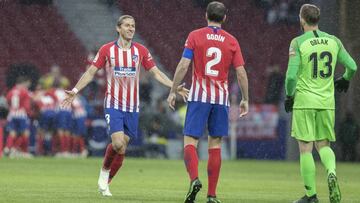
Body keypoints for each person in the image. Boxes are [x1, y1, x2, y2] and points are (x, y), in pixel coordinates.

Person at [62, 15, 188, 197]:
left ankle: (106, 181)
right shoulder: (107, 50)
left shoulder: (141, 51)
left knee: (122, 148)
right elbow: (90, 72)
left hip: (133, 107)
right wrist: (75, 90)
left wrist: (174, 87)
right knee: (118, 142)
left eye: (133, 26)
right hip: (113, 103)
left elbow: (156, 73)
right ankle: (104, 173)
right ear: (118, 28)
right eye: (127, 25)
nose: (131, 29)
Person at [167, 2, 249, 203]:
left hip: (199, 97)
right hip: (220, 99)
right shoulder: (231, 41)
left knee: (190, 141)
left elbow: (184, 64)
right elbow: (240, 73)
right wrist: (246, 99)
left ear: (206, 16)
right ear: (225, 18)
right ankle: (212, 195)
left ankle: (194, 179)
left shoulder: (195, 35)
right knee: (215, 144)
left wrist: (173, 90)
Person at [284, 4, 357, 203]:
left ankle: (311, 196)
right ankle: (331, 172)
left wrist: (289, 96)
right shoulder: (334, 41)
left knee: (305, 149)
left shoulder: (298, 42)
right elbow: (352, 66)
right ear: (318, 19)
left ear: (302, 19)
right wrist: (346, 78)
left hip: (305, 101)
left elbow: (291, 77)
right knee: (324, 145)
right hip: (326, 102)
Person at [4, 76, 32, 158]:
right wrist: (28, 112)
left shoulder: (11, 91)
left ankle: (8, 148)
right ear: (23, 83)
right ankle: (21, 150)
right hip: (21, 114)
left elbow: (7, 102)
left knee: (12, 133)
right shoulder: (24, 91)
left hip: (12, 114)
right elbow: (27, 106)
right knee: (25, 133)